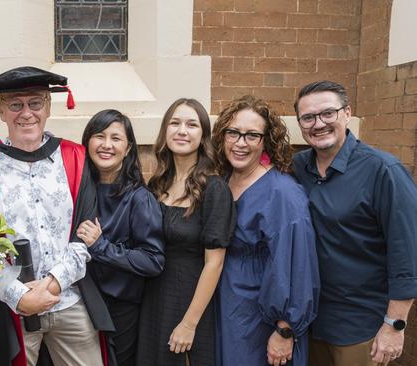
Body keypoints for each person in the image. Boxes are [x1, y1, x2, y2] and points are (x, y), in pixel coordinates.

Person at [0, 66, 114, 366]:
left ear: (48, 107)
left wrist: (52, 284)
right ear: (1, 111)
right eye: (15, 104)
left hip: (68, 298)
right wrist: (19, 296)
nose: (26, 113)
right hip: (11, 306)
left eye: (35, 103)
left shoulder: (74, 157)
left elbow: (85, 235)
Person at [292, 80, 417, 366]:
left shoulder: (384, 171)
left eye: (328, 113)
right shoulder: (300, 166)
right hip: (312, 322)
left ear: (347, 113)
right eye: (308, 118)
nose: (318, 124)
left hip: (363, 328)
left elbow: (407, 254)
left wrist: (395, 325)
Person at [211, 95, 320, 366]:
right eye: (233, 132)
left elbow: (296, 267)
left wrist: (285, 329)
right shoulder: (223, 181)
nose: (240, 143)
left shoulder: (282, 193)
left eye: (251, 135)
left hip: (261, 319)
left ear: (266, 140)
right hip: (227, 308)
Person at [135, 98, 235, 366]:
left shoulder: (214, 189)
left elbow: (215, 263)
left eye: (192, 124)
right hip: (154, 297)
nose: (182, 130)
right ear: (165, 131)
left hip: (189, 300)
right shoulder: (158, 183)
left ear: (203, 136)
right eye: (175, 123)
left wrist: (189, 324)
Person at [76, 109, 166, 366]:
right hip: (78, 304)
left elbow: (153, 260)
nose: (106, 145)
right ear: (88, 143)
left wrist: (100, 246)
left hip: (119, 309)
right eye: (99, 136)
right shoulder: (77, 190)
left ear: (128, 149)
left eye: (116, 138)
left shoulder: (139, 198)